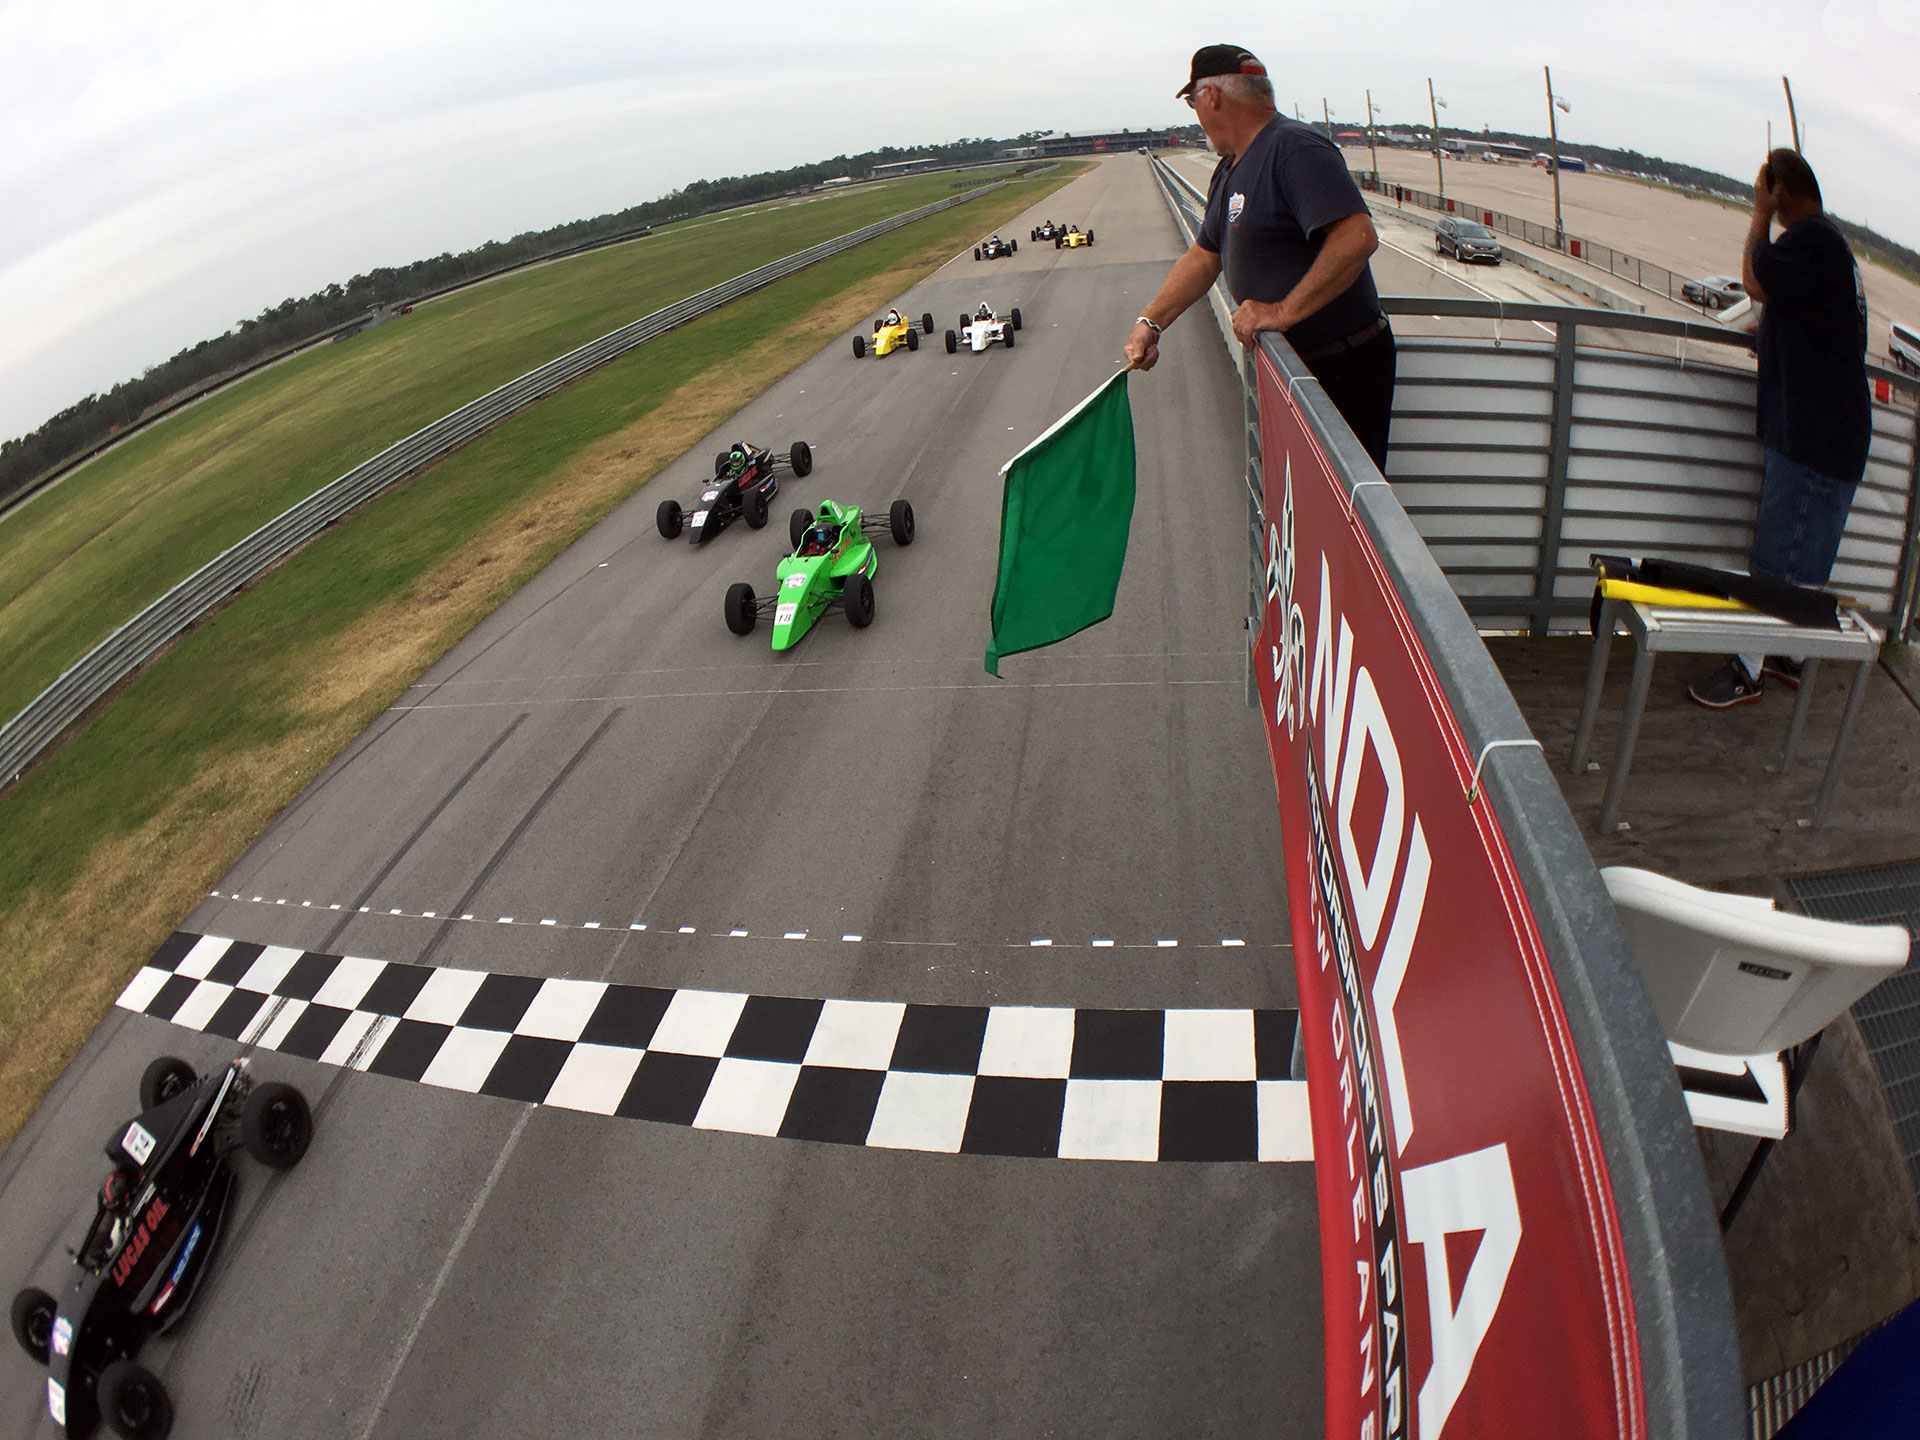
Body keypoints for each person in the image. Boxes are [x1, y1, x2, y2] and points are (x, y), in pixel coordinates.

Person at [1122, 44, 1394, 469]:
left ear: (1211, 97)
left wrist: (1283, 311)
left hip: (1338, 371)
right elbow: (1204, 257)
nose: (1195, 112)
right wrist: (1150, 323)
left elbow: (1356, 238)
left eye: (1193, 100)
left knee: (1341, 514)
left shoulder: (1293, 147)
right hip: (1294, 372)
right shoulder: (1231, 167)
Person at [1688, 149, 1871, 709]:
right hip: (1831, 435)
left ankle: (1748, 670)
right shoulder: (1831, 246)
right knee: (1806, 560)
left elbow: (1757, 280)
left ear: (1780, 189)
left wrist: (1757, 214)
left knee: (1778, 559)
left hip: (1813, 438)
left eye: (1765, 188)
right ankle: (1787, 658)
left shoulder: (1811, 239)